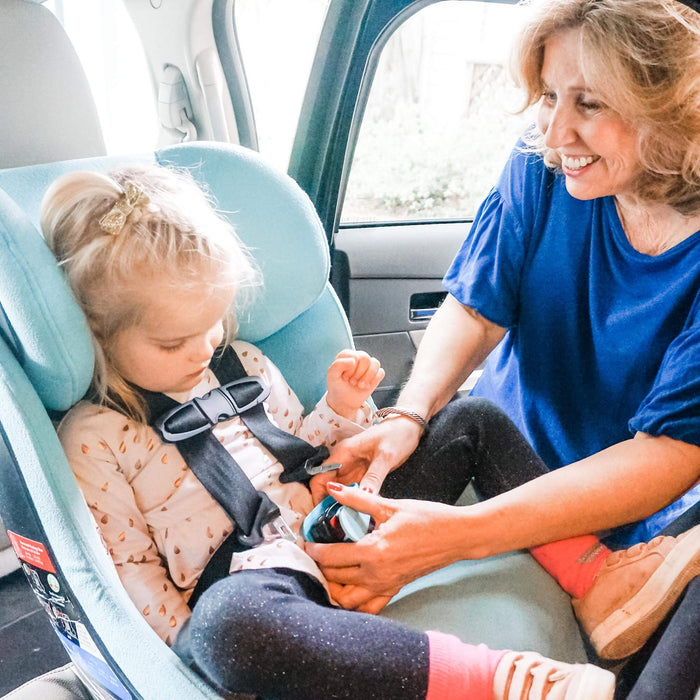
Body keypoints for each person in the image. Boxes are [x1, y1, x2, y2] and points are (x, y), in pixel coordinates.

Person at [41, 163, 620, 700]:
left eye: (212, 322)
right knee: (225, 628)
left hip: (337, 527)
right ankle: (504, 680)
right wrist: (188, 656)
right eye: (173, 342)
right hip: (259, 585)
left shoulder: (242, 364)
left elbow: (306, 452)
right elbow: (131, 572)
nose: (204, 346)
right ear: (99, 333)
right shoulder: (96, 437)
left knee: (474, 419)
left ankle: (601, 581)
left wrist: (340, 407)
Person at [304, 0, 700, 696]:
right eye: (549, 95)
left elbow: (671, 451)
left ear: (672, 110)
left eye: (590, 102)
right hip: (494, 448)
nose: (555, 128)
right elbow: (477, 305)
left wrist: (460, 535)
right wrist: (408, 415)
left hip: (621, 513)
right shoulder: (542, 162)